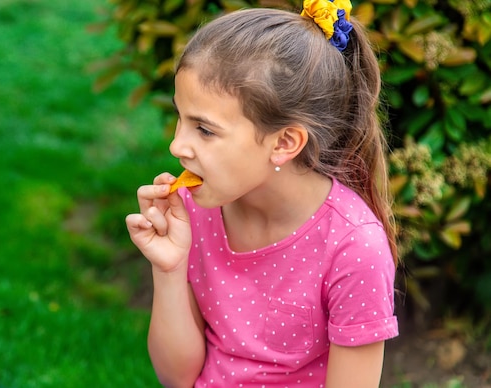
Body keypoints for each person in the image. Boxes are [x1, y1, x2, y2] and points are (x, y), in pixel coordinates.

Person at [125, 0, 399, 386]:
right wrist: (168, 270)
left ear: (285, 142)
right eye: (180, 119)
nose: (177, 146)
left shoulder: (354, 247)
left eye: (204, 129)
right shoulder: (195, 210)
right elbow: (177, 377)